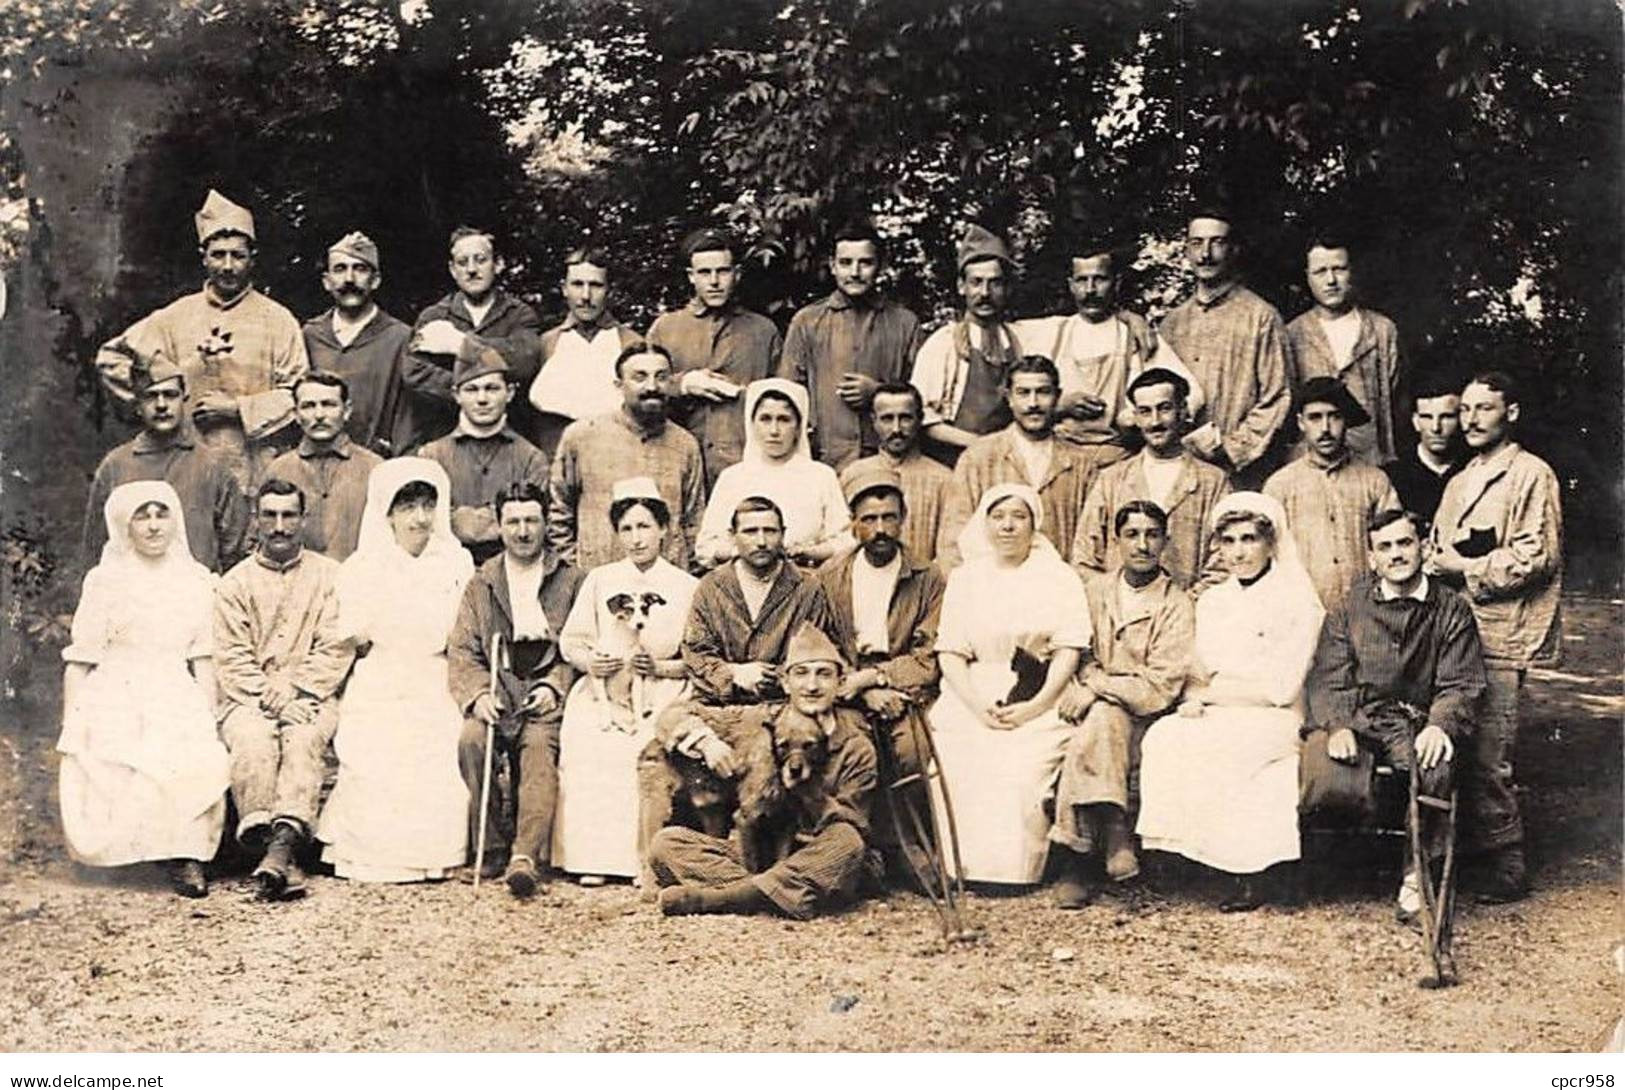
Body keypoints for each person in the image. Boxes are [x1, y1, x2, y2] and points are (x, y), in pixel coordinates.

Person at [1136, 493, 1325, 911]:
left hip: (1274, 714)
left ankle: (1250, 870)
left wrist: (1213, 695)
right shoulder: (1212, 600)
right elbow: (1197, 670)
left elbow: (1282, 687)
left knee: (1233, 746)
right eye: (1229, 542)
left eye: (1249, 539)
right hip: (1218, 707)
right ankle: (1187, 857)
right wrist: (1192, 697)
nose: (1239, 552)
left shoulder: (1297, 600)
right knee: (1165, 737)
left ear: (1270, 543)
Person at [1302, 509, 1486, 923]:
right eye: (1384, 547)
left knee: (1435, 765)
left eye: (1404, 543)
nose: (1396, 555)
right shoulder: (1350, 607)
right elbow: (1329, 674)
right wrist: (1338, 724)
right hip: (1366, 718)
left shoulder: (1451, 609)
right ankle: (1334, 870)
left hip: (1421, 720)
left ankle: (1417, 872)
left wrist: (1441, 724)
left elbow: (1461, 681)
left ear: (1424, 547)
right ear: (1372, 558)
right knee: (1326, 771)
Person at [58, 481, 230, 898]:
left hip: (173, 685)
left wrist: (211, 718)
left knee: (188, 749)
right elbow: (81, 659)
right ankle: (122, 853)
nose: (154, 526)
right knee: (110, 748)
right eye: (142, 516)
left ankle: (182, 854)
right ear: (124, 524)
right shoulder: (105, 580)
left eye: (162, 514)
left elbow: (203, 658)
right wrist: (71, 722)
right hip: (115, 686)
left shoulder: (197, 580)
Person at [1428, 370, 1562, 903]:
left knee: (1490, 750)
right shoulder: (1461, 478)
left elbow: (1535, 555)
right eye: (1465, 410)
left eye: (1485, 408)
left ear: (1511, 413)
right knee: (1449, 739)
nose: (1471, 420)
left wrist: (1464, 567)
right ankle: (1448, 855)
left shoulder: (1529, 474)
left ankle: (1507, 863)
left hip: (1502, 629)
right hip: (1454, 630)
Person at [648, 623, 878, 919]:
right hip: (764, 858)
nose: (811, 686)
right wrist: (705, 742)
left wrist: (807, 794)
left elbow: (852, 822)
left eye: (824, 674)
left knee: (848, 844)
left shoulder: (855, 745)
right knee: (666, 843)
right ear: (784, 682)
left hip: (814, 853)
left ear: (840, 681)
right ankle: (769, 895)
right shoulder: (758, 720)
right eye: (801, 673)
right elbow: (673, 715)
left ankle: (716, 899)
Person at [318, 458, 474, 883]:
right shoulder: (363, 566)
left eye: (427, 506)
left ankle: (435, 854)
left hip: (437, 673)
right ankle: (371, 853)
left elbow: (462, 629)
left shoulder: (456, 562)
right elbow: (357, 635)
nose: (419, 518)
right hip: (383, 673)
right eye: (407, 508)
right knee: (378, 744)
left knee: (437, 739)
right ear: (386, 513)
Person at [927, 482, 1091, 884]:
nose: (1008, 527)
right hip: (973, 690)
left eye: (1019, 517)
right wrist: (975, 705)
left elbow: (1069, 647)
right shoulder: (967, 578)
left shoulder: (1058, 577)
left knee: (1019, 768)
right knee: (961, 759)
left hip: (1040, 689)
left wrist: (1037, 706)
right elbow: (949, 651)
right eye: (998, 517)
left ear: (1034, 524)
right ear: (984, 524)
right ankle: (960, 869)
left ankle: (1014, 872)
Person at [94, 190, 309, 492]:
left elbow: (298, 396)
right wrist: (159, 397)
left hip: (255, 468)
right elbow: (111, 359)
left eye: (238, 255)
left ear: (252, 259)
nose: (228, 266)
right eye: (218, 255)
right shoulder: (175, 316)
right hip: (183, 462)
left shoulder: (278, 320)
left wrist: (237, 409)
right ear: (203, 257)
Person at [1050, 500, 1195, 908]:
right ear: (1117, 541)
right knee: (1100, 722)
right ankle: (1115, 831)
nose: (1142, 545)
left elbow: (1162, 684)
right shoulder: (1094, 592)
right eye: (1132, 534)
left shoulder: (1176, 604)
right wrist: (1092, 684)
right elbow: (1076, 649)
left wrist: (1098, 687)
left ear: (1165, 542)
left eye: (1152, 535)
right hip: (1086, 704)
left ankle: (1077, 857)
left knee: (1103, 721)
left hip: (1146, 715)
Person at [214, 478, 353, 900]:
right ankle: (279, 852)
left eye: (289, 515)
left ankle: (278, 851)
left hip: (312, 693)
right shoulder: (234, 584)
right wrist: (267, 695)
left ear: (303, 519)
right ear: (256, 520)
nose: (279, 526)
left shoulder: (331, 577)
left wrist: (296, 687)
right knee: (252, 738)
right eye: (270, 515)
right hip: (247, 697)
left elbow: (336, 645)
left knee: (306, 738)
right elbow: (231, 656)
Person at [553, 479, 698, 883]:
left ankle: (644, 863)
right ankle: (593, 861)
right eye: (628, 529)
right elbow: (572, 641)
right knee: (589, 740)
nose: (637, 539)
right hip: (606, 685)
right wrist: (591, 663)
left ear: (664, 529)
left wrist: (662, 670)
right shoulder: (600, 580)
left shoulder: (686, 586)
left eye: (645, 526)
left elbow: (697, 658)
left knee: (643, 746)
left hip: (665, 688)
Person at [446, 480, 585, 896]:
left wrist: (554, 687)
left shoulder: (572, 580)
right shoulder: (482, 582)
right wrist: (478, 695)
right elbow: (464, 648)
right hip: (498, 683)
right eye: (513, 522)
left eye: (531, 521)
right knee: (473, 739)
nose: (523, 531)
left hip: (543, 686)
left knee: (541, 748)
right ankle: (488, 846)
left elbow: (578, 646)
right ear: (500, 526)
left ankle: (525, 854)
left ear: (546, 524)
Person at [815, 464, 946, 880]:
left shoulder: (927, 577)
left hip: (903, 688)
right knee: (853, 749)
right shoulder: (830, 576)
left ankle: (913, 850)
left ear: (902, 518)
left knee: (910, 750)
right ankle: (853, 853)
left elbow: (929, 654)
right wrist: (859, 686)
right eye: (869, 519)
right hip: (848, 687)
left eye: (889, 517)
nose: (880, 529)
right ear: (853, 524)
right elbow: (822, 646)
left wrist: (879, 679)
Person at [1012, 234, 1204, 455]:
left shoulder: (1134, 336)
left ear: (1116, 283)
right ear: (1071, 285)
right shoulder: (1050, 332)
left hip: (1116, 458)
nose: (1090, 290)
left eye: (1100, 279)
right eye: (1082, 280)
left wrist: (1137, 418)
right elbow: (995, 330)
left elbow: (1193, 396)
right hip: (1056, 454)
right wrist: (1058, 404)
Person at [1156, 205, 1290, 489]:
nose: (1205, 254)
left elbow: (1277, 398)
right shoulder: (1172, 324)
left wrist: (1230, 449)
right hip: (1180, 471)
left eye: (1217, 242)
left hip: (1241, 473)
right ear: (1187, 252)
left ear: (1234, 250)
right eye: (1197, 243)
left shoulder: (1261, 317)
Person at [547, 342, 706, 572]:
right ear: (619, 385)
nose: (652, 386)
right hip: (597, 578)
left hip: (665, 583)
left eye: (661, 377)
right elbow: (559, 512)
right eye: (639, 377)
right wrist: (578, 573)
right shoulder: (582, 437)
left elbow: (694, 521)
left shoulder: (685, 445)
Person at [82, 353, 247, 573]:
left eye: (170, 395)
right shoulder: (115, 466)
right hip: (131, 598)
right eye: (151, 397)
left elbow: (234, 553)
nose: (161, 405)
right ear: (138, 405)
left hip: (196, 598)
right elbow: (95, 552)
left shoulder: (211, 466)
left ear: (184, 399)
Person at [777, 222, 920, 469]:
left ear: (880, 266)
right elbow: (789, 394)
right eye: (845, 263)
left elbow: (920, 396)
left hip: (888, 459)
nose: (855, 272)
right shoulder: (807, 321)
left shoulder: (905, 323)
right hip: (824, 459)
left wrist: (877, 392)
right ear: (832, 266)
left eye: (865, 263)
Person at [1072, 368, 1230, 590]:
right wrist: (1115, 603)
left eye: (1164, 409)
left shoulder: (1213, 482)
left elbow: (1223, 564)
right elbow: (1084, 558)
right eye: (1145, 411)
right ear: (1135, 417)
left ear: (1183, 410)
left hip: (1187, 615)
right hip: (1120, 616)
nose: (1155, 421)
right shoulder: (1111, 480)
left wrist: (1181, 608)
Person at [648, 228, 783, 487]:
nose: (714, 281)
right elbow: (640, 392)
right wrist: (683, 384)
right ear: (691, 277)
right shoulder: (666, 328)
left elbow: (782, 401)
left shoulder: (763, 331)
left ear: (737, 274)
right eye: (704, 272)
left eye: (723, 271)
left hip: (747, 466)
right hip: (679, 466)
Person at [679, 496, 835, 709]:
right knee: (671, 721)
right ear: (733, 536)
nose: (761, 541)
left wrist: (769, 678)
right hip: (718, 703)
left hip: (785, 706)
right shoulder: (711, 586)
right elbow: (695, 654)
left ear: (783, 534)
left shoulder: (807, 588)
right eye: (750, 531)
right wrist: (734, 673)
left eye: (770, 531)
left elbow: (816, 656)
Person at [399, 226, 543, 450]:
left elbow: (525, 361)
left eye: (481, 260)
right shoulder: (434, 317)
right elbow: (415, 373)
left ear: (498, 264)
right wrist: (473, 393)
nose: (472, 269)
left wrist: (459, 344)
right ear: (452, 269)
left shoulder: (519, 314)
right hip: (447, 436)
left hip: (508, 440)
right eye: (462, 262)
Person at [1264, 376, 1400, 612]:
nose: (1325, 428)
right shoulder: (1280, 486)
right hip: (1304, 612)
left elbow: (1395, 547)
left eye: (1334, 416)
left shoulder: (1375, 481)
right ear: (1300, 422)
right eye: (1315, 418)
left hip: (1368, 612)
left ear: (1345, 420)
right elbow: (1268, 558)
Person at [952, 355, 1102, 564]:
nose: (1033, 403)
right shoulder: (979, 458)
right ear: (1009, 398)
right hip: (994, 588)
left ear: (1057, 397)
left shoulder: (1081, 464)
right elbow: (954, 537)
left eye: (1043, 392)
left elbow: (1092, 541)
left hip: (1061, 587)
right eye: (1023, 393)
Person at [694, 379, 850, 569]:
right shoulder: (733, 478)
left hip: (806, 579)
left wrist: (812, 552)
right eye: (765, 419)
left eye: (784, 420)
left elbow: (846, 540)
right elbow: (706, 547)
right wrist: (747, 552)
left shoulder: (821, 476)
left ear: (799, 426)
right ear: (752, 423)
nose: (774, 431)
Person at [416, 346, 551, 565]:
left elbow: (531, 525)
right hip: (445, 570)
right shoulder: (431, 456)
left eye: (491, 388)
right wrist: (496, 521)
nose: (482, 399)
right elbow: (426, 521)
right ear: (456, 395)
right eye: (471, 389)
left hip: (512, 571)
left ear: (510, 393)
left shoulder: (532, 458)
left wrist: (458, 519)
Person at [909, 223, 1024, 465]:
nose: (985, 292)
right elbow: (922, 419)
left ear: (1007, 288)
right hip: (952, 462)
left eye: (995, 283)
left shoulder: (1017, 340)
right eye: (976, 282)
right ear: (962, 287)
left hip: (1006, 460)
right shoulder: (943, 344)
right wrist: (979, 444)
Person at [1284, 234, 1403, 465]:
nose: (1331, 280)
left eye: (1339, 269)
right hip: (1310, 465)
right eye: (1320, 272)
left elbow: (1396, 401)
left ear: (1353, 272)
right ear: (1307, 277)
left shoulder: (1382, 330)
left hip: (1372, 461)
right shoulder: (1292, 334)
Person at [300, 231, 411, 454]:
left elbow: (409, 416)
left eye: (360, 269)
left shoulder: (399, 338)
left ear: (376, 280)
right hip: (318, 460)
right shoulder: (310, 335)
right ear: (326, 281)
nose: (349, 279)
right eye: (340, 269)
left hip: (379, 465)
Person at [527, 246, 642, 456]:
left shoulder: (631, 343)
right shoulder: (546, 344)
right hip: (556, 458)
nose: (586, 296)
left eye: (596, 285)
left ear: (609, 290)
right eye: (578, 285)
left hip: (616, 455)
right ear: (564, 288)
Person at [839, 382, 967, 568]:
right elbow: (842, 541)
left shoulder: (944, 480)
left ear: (920, 419)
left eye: (905, 418)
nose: (896, 429)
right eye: (887, 419)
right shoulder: (853, 475)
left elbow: (951, 550)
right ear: (873, 421)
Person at [263, 372, 383, 561]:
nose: (319, 415)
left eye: (329, 404)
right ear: (295, 414)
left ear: (347, 410)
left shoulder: (375, 468)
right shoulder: (279, 470)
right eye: (308, 406)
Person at [1386, 376, 1467, 522]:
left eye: (1447, 417)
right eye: (1427, 417)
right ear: (1415, 421)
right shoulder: (1391, 477)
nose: (1436, 428)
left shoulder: (1473, 471)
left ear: (1462, 420)